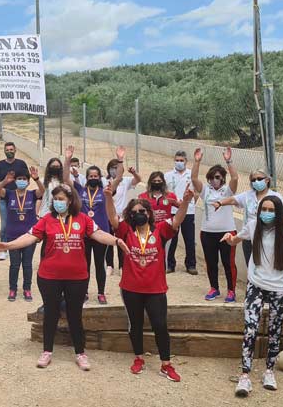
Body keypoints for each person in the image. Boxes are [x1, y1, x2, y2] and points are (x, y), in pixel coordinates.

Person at [0, 184, 126, 371]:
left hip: (77, 277)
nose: (58, 202)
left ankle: (80, 353)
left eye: (61, 199)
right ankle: (47, 351)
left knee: (75, 315)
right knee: (51, 314)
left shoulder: (83, 219)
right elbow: (29, 237)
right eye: (55, 199)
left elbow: (99, 234)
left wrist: (116, 241)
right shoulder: (47, 220)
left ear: (70, 201)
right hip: (49, 276)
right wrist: (9, 245)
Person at [104, 182, 195, 383]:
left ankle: (165, 364)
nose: (139, 214)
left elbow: (177, 221)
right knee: (135, 325)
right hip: (130, 288)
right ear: (130, 214)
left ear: (149, 213)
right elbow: (112, 217)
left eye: (142, 210)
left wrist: (186, 201)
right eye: (135, 211)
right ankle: (138, 358)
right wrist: (109, 196)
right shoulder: (126, 230)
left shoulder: (160, 230)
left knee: (160, 325)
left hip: (155, 289)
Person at [221, 196, 283, 397]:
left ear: (278, 213)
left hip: (280, 288)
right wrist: (230, 238)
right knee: (250, 330)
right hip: (256, 285)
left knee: (274, 331)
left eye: (271, 210)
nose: (267, 213)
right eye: (264, 209)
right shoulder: (253, 226)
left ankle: (269, 372)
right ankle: (245, 376)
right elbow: (237, 239)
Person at [191, 147, 239, 303]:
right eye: (211, 178)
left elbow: (236, 178)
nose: (213, 180)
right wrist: (197, 161)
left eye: (217, 177)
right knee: (211, 262)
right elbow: (194, 179)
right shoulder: (206, 190)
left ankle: (231, 291)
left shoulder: (227, 191)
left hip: (227, 233)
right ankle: (214, 288)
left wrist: (229, 161)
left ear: (222, 178)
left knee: (228, 263)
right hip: (207, 233)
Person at [213, 169, 283, 264]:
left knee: (267, 265)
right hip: (249, 238)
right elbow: (233, 200)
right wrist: (220, 203)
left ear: (267, 180)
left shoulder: (276, 196)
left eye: (259, 179)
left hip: (268, 238)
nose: (256, 182)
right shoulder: (248, 195)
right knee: (250, 265)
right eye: (253, 180)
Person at [64, 146, 109, 305]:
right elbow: (65, 179)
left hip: (101, 232)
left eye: (96, 175)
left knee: (99, 264)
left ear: (100, 177)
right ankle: (84, 292)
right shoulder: (79, 189)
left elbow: (117, 179)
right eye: (90, 175)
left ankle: (101, 293)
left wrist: (120, 160)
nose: (93, 177)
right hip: (83, 233)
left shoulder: (105, 191)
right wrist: (68, 160)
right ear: (87, 177)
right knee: (84, 265)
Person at [0, 165, 45, 302]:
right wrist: (5, 181)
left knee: (27, 264)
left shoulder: (32, 194)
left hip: (29, 236)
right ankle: (12, 289)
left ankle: (27, 289)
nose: (21, 181)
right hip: (13, 236)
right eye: (19, 179)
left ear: (28, 182)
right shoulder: (10, 194)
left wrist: (36, 179)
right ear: (15, 181)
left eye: (24, 179)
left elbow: (43, 191)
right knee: (15, 264)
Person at [105, 147, 141, 276]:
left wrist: (134, 173)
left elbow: (138, 180)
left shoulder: (125, 181)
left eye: (117, 167)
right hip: (109, 215)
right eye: (112, 167)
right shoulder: (105, 181)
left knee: (123, 240)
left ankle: (122, 265)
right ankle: (109, 265)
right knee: (109, 240)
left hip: (123, 217)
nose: (114, 170)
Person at [0, 141, 29, 261]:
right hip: (4, 199)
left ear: (15, 150)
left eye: (11, 149)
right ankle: (4, 249)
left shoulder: (21, 164)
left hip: (19, 200)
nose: (9, 151)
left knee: (19, 224)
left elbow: (26, 180)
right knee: (4, 225)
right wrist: (5, 182)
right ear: (4, 151)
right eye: (7, 150)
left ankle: (18, 245)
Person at [165, 151, 198, 275]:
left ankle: (191, 265)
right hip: (172, 211)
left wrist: (193, 202)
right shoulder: (167, 175)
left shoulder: (192, 175)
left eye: (181, 160)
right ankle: (170, 264)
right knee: (171, 238)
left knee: (189, 239)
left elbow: (198, 191)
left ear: (186, 161)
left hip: (188, 212)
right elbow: (164, 192)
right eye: (177, 160)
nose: (179, 162)